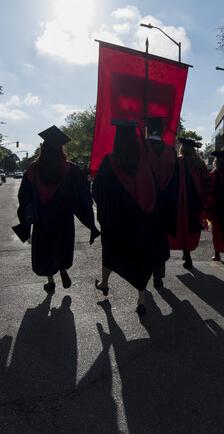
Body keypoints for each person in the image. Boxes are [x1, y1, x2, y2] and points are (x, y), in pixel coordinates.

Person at [92, 119, 167, 316]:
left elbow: (98, 190)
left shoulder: (108, 161)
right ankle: (141, 298)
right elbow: (153, 193)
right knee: (141, 256)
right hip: (140, 220)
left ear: (117, 140)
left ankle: (104, 283)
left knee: (110, 250)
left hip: (116, 222)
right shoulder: (143, 162)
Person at [14, 125, 99, 292]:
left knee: (45, 249)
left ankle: (50, 280)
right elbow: (82, 195)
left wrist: (25, 216)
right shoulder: (70, 169)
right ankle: (62, 269)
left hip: (42, 219)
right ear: (61, 149)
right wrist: (87, 216)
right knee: (62, 244)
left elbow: (24, 197)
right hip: (63, 218)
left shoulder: (33, 170)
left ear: (43, 149)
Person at [141, 117, 178, 288]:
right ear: (163, 131)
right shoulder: (171, 151)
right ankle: (158, 276)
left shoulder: (140, 147)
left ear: (148, 129)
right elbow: (175, 183)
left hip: (143, 204)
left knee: (144, 240)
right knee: (160, 240)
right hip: (164, 205)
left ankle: (142, 277)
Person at [168, 137, 209, 270]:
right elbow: (206, 184)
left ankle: (187, 255)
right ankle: (187, 254)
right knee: (191, 229)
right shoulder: (201, 164)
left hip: (182, 202)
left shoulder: (179, 161)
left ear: (182, 148)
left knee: (182, 229)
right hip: (197, 202)